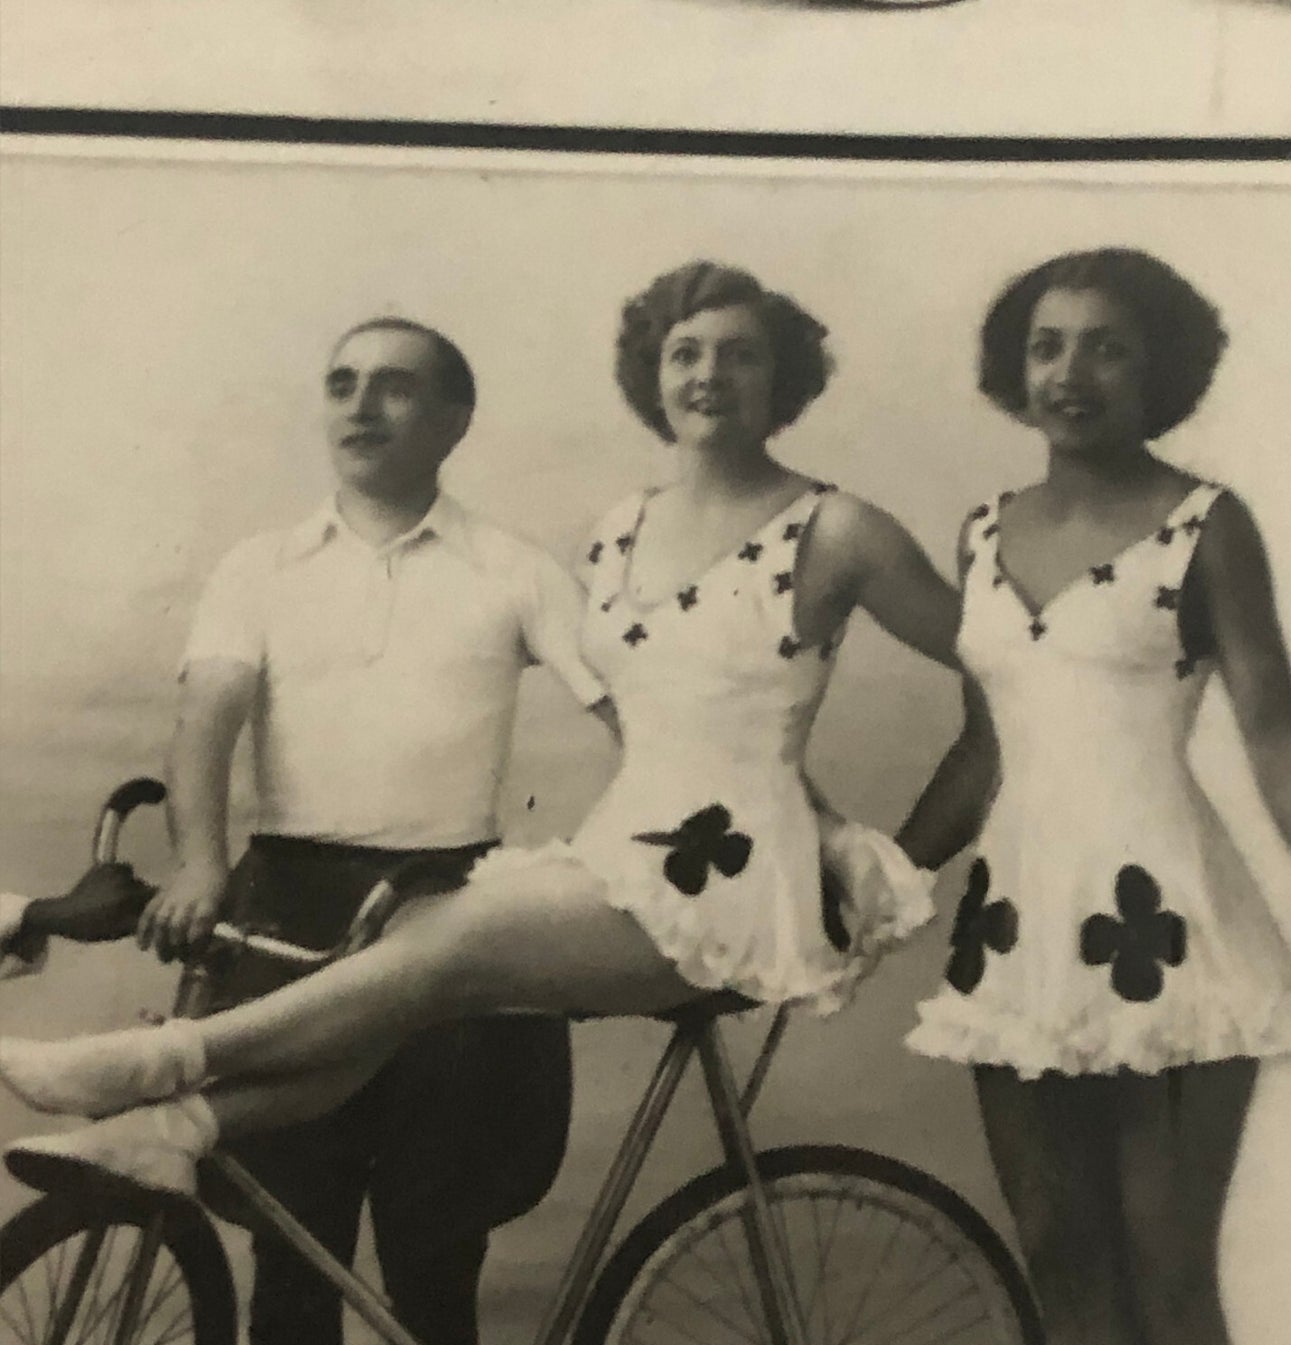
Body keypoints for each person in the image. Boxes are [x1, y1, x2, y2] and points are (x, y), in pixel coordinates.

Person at [0, 261, 960, 1211]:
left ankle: (148, 1066)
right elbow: (676, 720)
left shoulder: (839, 528)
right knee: (411, 975)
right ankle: (177, 1131)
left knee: (442, 943)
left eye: (740, 355)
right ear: (653, 374)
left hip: (727, 885)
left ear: (782, 378)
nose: (709, 374)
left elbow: (1006, 668)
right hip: (616, 857)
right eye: (685, 352)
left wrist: (875, 850)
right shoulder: (620, 528)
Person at [4, 316, 602, 1345]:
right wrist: (200, 858)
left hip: (446, 910)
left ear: (454, 420)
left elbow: (632, 708)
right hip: (284, 902)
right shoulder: (260, 566)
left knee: (434, 1247)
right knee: (292, 1240)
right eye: (341, 383)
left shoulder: (514, 567)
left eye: (394, 386)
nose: (360, 405)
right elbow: (208, 717)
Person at [895, 248, 1291, 1345]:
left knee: (1166, 1265)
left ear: (1157, 367)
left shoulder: (1204, 524)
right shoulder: (979, 531)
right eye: (1047, 345)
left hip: (1159, 928)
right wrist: (878, 877)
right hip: (1015, 928)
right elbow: (982, 752)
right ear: (1014, 370)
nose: (1071, 372)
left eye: (1106, 346)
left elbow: (1276, 734)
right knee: (1061, 1255)